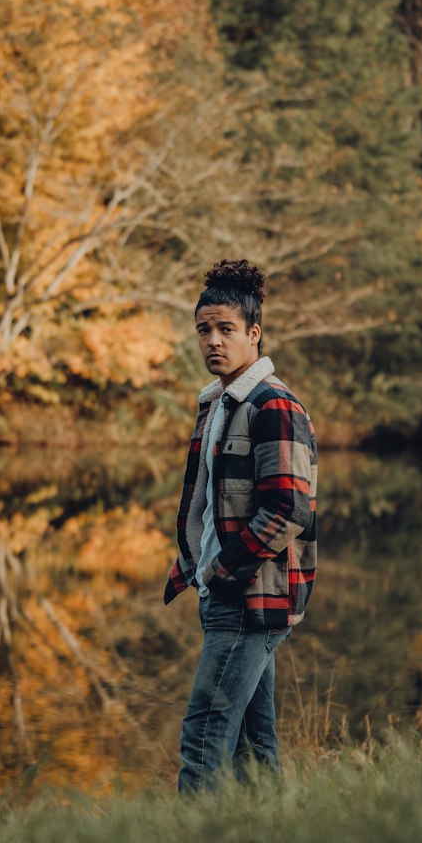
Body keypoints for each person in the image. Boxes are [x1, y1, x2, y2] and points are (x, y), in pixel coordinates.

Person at [165, 259, 318, 793]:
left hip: (249, 595)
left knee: (204, 739)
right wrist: (194, 568)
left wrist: (224, 569)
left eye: (226, 329)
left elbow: (288, 510)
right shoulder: (218, 406)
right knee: (256, 748)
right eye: (204, 329)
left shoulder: (272, 404)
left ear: (254, 334)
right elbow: (207, 505)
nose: (213, 340)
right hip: (224, 592)